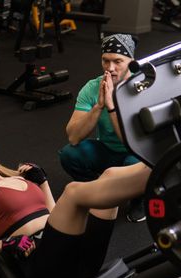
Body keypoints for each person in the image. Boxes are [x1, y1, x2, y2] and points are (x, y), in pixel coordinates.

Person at [0, 126, 150, 278]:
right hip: (45, 267)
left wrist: (42, 183)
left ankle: (159, 162)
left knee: (110, 174)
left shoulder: (20, 179)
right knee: (73, 191)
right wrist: (5, 244)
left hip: (74, 254)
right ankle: (156, 175)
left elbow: (55, 217)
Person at [57, 33, 145, 223]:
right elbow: (73, 137)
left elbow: (131, 142)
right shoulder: (93, 87)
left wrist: (111, 106)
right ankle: (99, 192)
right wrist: (98, 106)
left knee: (135, 167)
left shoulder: (143, 86)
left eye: (117, 61)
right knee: (70, 155)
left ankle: (139, 199)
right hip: (108, 150)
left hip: (138, 153)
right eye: (105, 61)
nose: (110, 68)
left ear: (132, 62)